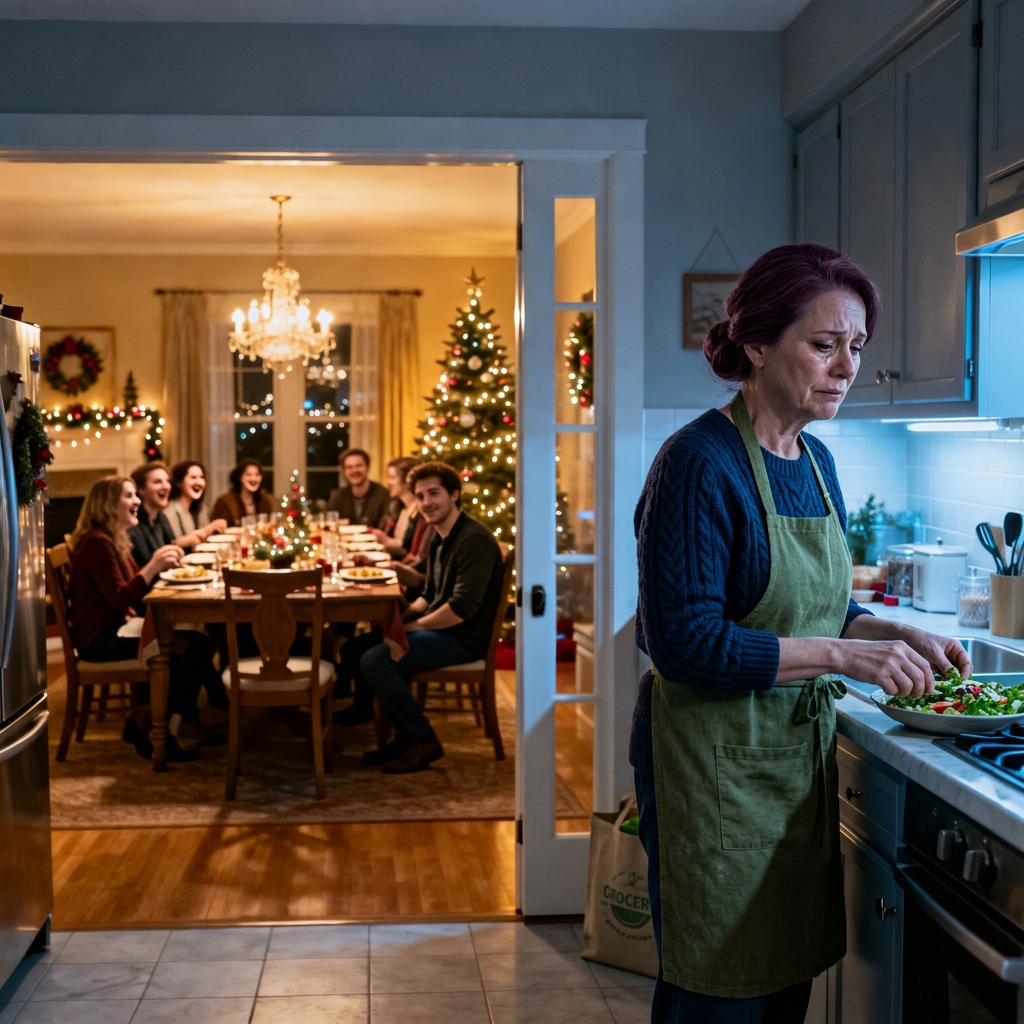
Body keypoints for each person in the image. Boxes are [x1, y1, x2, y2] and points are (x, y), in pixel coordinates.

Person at [631, 242, 973, 1024]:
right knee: (715, 995)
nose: (845, 366)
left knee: (780, 991)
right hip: (711, 775)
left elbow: (818, 607)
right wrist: (848, 655)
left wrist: (894, 632)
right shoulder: (697, 462)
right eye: (823, 344)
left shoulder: (815, 460)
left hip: (788, 771)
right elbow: (682, 643)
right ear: (757, 343)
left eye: (856, 346)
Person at [335, 461, 505, 774]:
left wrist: (412, 627)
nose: (426, 502)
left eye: (434, 493)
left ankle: (423, 738)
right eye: (420, 496)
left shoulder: (473, 540)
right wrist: (404, 617)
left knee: (376, 660)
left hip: (462, 638)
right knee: (355, 649)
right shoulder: (442, 536)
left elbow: (459, 610)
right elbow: (430, 591)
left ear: (454, 494)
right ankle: (401, 736)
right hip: (443, 629)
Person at [68, 476, 210, 762]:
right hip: (99, 640)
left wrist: (158, 565)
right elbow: (122, 597)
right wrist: (154, 564)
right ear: (108, 504)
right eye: (129, 496)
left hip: (117, 628)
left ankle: (151, 720)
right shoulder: (97, 542)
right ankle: (155, 728)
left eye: (135, 495)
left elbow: (132, 588)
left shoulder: (113, 538)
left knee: (195, 645)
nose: (136, 503)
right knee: (190, 649)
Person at [128, 462, 209, 564]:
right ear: (141, 490)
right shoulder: (134, 523)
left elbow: (174, 552)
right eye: (157, 482)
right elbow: (147, 563)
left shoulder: (161, 517)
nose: (166, 486)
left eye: (167, 481)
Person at [166, 460, 227, 542]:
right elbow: (174, 542)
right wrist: (207, 529)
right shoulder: (170, 510)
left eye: (201, 477)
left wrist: (215, 528)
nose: (199, 482)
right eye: (193, 477)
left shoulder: (202, 509)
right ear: (179, 483)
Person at [326, 449, 389, 528]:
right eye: (349, 467)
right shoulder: (337, 496)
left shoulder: (383, 494)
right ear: (344, 471)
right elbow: (329, 523)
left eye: (358, 466)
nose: (354, 470)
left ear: (368, 468)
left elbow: (387, 527)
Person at [211, 458, 275, 526]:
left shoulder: (266, 501)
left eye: (257, 475)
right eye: (248, 474)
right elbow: (217, 529)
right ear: (240, 477)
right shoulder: (224, 502)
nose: (254, 478)